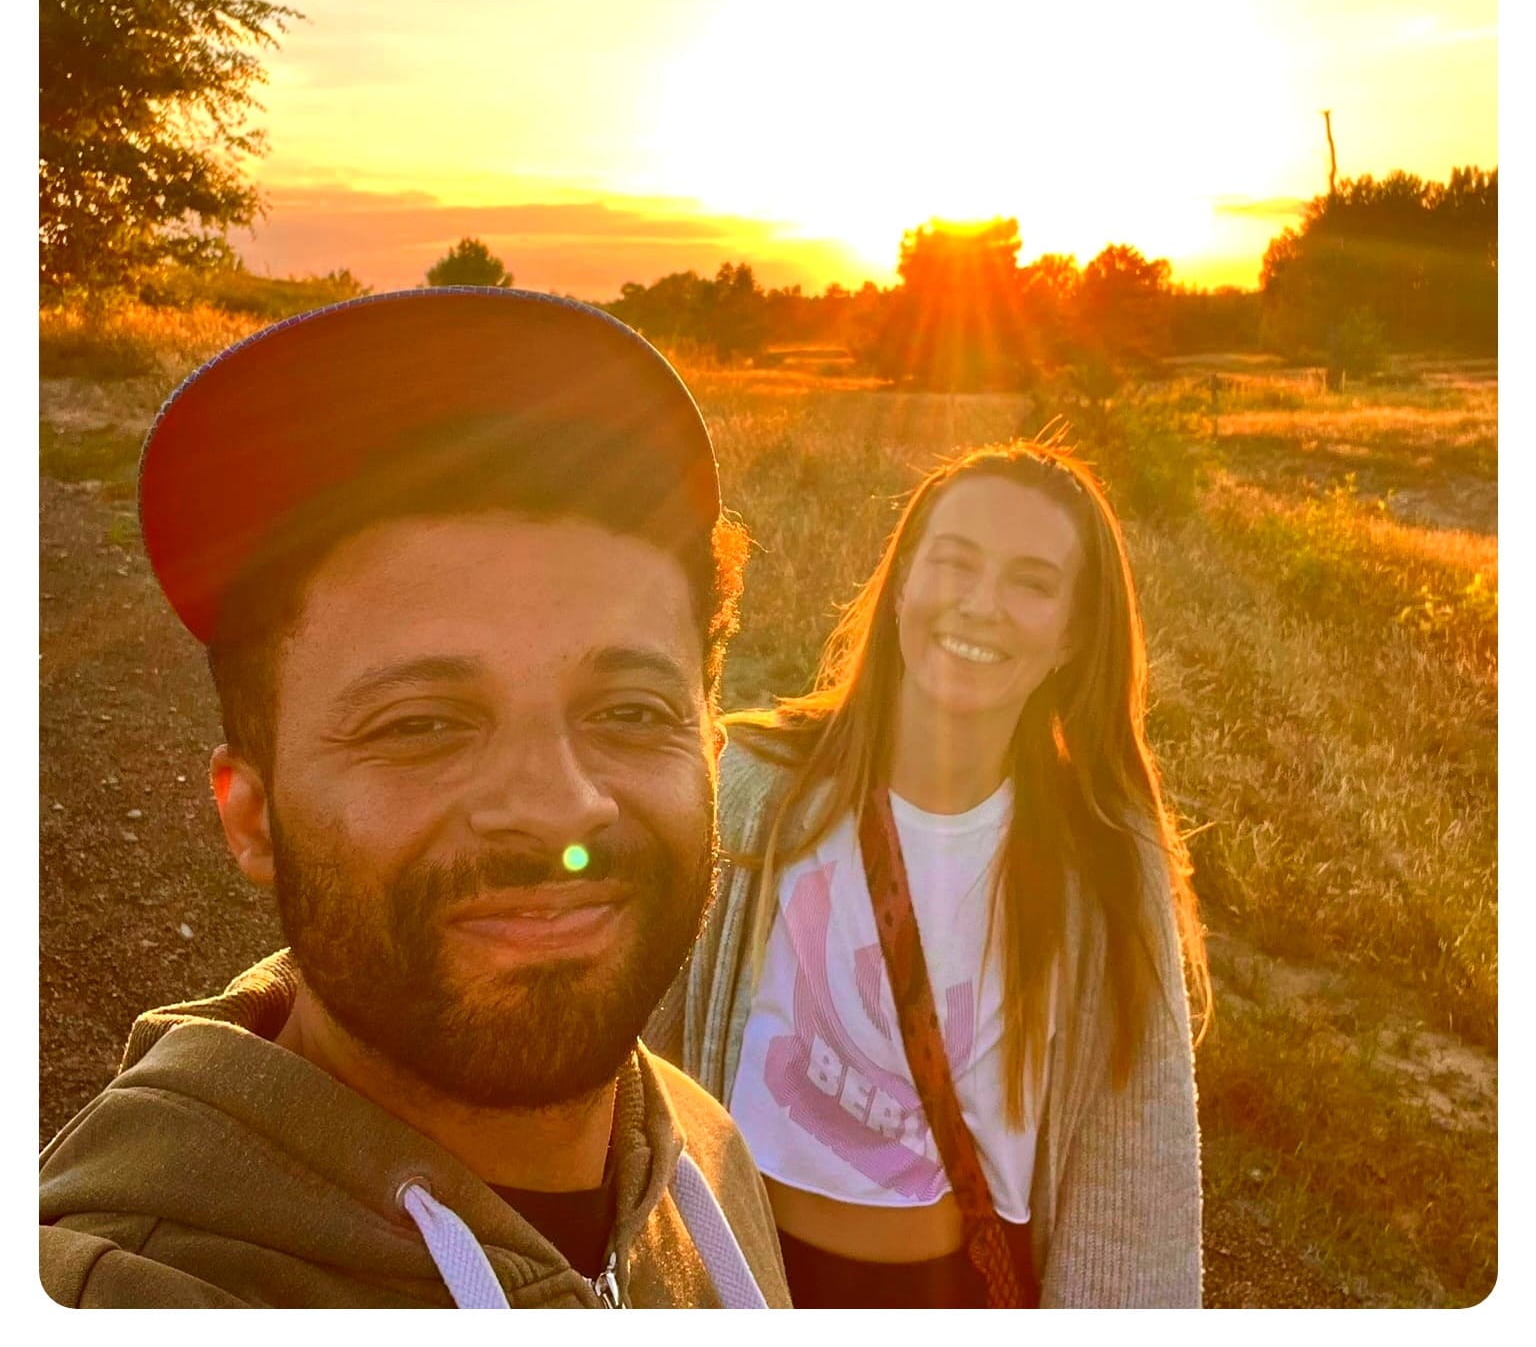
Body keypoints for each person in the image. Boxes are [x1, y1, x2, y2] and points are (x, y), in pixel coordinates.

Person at [40, 287, 790, 1310]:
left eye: (626, 710)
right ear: (251, 815)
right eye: (423, 725)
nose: (558, 811)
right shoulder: (121, 1290)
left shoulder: (704, 1154)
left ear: (708, 750)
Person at [648, 437, 1209, 1308]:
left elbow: (1135, 1160)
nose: (982, 605)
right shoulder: (756, 788)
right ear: (903, 585)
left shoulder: (1102, 853)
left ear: (1073, 634)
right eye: (954, 563)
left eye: (1031, 582)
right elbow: (647, 1051)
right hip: (740, 1281)